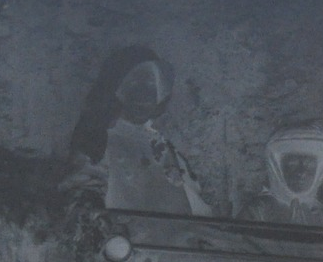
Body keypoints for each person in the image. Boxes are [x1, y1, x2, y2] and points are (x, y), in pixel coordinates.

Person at [63, 46, 212, 216]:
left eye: (150, 85)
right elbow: (83, 193)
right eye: (134, 84)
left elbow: (194, 203)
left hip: (178, 236)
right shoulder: (99, 139)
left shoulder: (161, 145)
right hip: (130, 236)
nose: (144, 94)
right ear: (118, 90)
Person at [237, 123, 323, 228]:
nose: (302, 172)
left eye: (309, 165)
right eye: (292, 164)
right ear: (278, 169)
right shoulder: (257, 211)